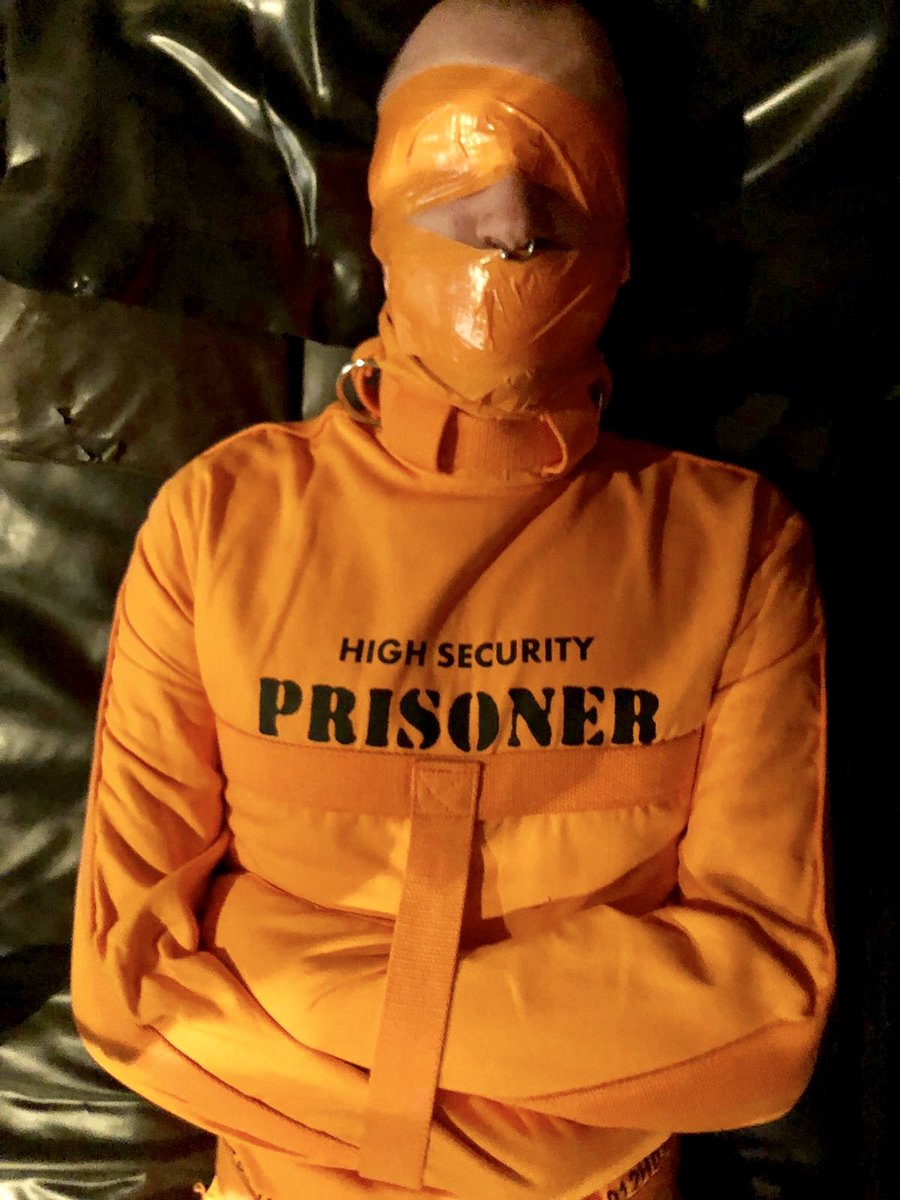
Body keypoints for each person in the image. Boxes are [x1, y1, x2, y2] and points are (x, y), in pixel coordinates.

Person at [70, 2, 836, 1198]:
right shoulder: (216, 522)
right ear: (377, 217)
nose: (513, 224)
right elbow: (130, 987)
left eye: (564, 176)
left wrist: (287, 977)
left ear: (626, 241)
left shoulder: (735, 544)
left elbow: (766, 1018)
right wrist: (543, 1109)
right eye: (453, 166)